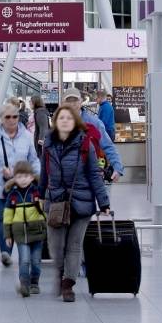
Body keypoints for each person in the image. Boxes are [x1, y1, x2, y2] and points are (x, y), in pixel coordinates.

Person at [43, 102, 110, 302]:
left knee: (73, 245)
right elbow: (43, 172)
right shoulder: (48, 144)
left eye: (69, 118)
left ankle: (68, 284)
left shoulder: (84, 144)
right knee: (55, 245)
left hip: (81, 203)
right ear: (55, 121)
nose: (65, 121)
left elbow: (94, 175)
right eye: (61, 117)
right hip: (56, 202)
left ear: (75, 122)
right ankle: (60, 271)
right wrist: (39, 194)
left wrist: (103, 202)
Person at [0, 101, 40, 268]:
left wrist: (37, 177)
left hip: (21, 187)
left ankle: (13, 250)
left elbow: (33, 159)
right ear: (1, 119)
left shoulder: (26, 136)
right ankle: (6, 252)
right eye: (8, 117)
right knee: (2, 218)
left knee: (17, 219)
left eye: (15, 116)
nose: (12, 120)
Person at [2, 160, 46, 297]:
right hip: (20, 233)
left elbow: (45, 211)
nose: (23, 180)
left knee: (36, 261)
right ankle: (24, 284)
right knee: (24, 259)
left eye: (26, 176)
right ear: (15, 178)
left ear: (32, 177)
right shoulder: (13, 195)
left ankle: (34, 283)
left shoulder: (38, 192)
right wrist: (8, 235)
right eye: (19, 177)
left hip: (37, 231)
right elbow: (8, 216)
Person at [64, 89, 123, 182]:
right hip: (65, 178)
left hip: (88, 178)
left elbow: (108, 145)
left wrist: (117, 166)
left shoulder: (94, 123)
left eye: (75, 100)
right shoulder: (60, 124)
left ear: (80, 101)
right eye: (69, 101)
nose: (72, 104)